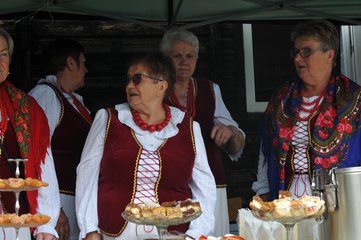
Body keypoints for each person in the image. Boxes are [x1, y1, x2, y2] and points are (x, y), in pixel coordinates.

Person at [75, 52, 216, 240]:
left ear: (161, 86)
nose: (129, 85)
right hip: (116, 233)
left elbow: (205, 187)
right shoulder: (108, 119)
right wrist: (90, 229)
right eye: (128, 80)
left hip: (173, 234)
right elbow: (87, 175)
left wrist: (194, 235)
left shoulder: (189, 128)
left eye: (137, 78)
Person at [252, 19, 361, 239]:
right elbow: (265, 154)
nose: (298, 58)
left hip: (339, 208)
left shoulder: (354, 100)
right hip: (286, 206)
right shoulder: (281, 99)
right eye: (296, 51)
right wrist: (262, 195)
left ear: (329, 55)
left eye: (306, 51)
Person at [159, 28, 246, 236]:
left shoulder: (210, 90)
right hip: (168, 184)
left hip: (210, 185)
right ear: (165, 59)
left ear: (197, 59)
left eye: (190, 56)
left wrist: (230, 131)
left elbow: (238, 144)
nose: (184, 61)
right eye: (177, 56)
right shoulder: (155, 90)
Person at [0, 28, 60, 240]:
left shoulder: (26, 108)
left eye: (4, 54)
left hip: (15, 222)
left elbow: (43, 167)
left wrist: (46, 224)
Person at [29, 39, 91, 240]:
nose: (86, 69)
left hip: (76, 200)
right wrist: (54, 209)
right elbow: (36, 153)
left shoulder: (72, 100)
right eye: (83, 63)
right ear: (70, 63)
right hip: (60, 199)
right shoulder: (46, 94)